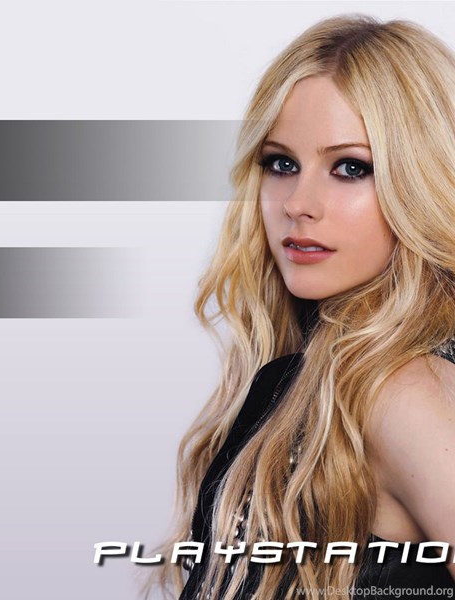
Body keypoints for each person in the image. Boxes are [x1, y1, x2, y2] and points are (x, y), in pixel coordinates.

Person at [147, 14, 455, 600]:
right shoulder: (317, 374)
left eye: (351, 168)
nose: (299, 203)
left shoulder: (403, 392)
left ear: (422, 180)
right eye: (281, 163)